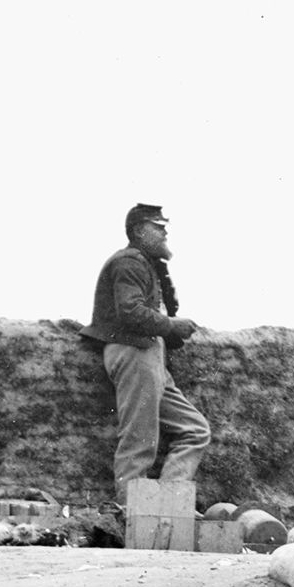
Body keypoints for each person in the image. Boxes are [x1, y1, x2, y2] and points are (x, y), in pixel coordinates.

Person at [83, 203, 211, 504]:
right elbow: (130, 311)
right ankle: (130, 515)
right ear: (139, 231)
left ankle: (166, 506)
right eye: (158, 226)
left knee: (195, 430)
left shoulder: (144, 263)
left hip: (149, 355)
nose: (165, 231)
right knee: (139, 441)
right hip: (134, 352)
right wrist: (172, 325)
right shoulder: (129, 262)